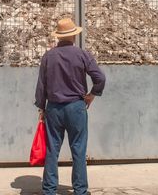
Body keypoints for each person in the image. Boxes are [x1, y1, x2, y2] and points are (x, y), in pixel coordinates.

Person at [35, 17, 106, 195]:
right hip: (76, 107)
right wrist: (92, 95)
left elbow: (41, 85)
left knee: (52, 150)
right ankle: (80, 190)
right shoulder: (82, 55)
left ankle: (49, 190)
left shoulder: (48, 56)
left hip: (54, 109)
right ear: (74, 36)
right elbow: (100, 78)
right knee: (78, 149)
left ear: (58, 36)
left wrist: (41, 108)